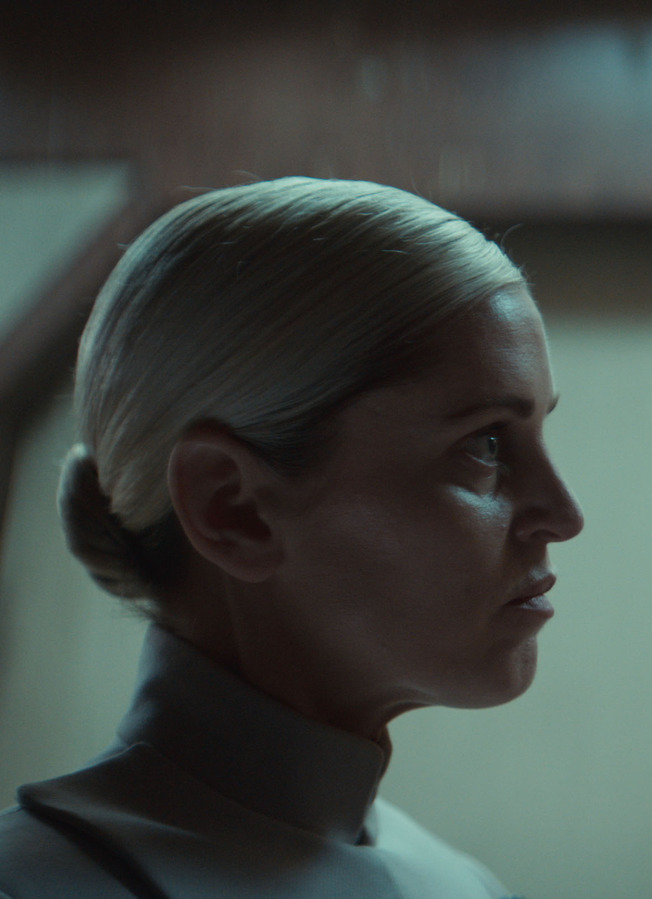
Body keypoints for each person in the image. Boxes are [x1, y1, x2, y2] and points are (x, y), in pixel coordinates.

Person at [0, 177, 583, 898]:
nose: (564, 514)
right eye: (485, 444)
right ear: (232, 507)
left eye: (538, 430)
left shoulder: (465, 886)